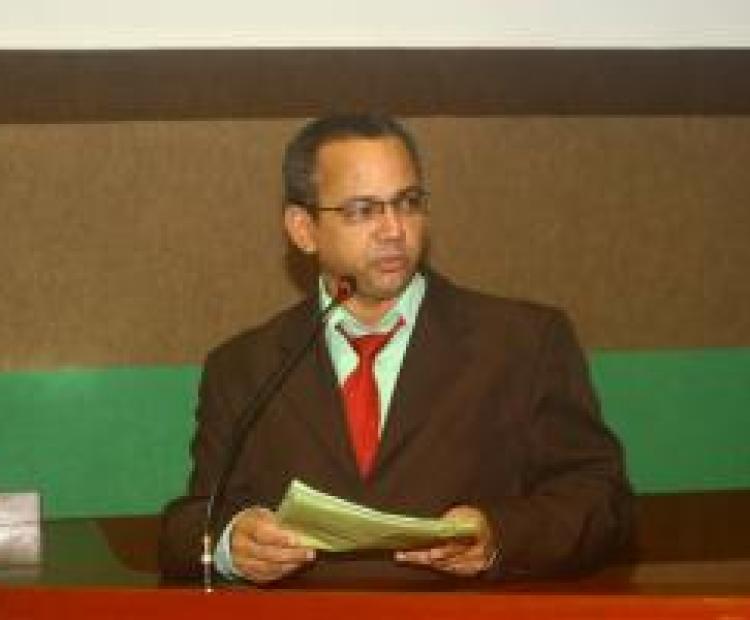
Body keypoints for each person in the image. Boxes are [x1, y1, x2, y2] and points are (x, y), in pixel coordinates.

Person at [159, 114, 631, 585]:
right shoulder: (244, 367)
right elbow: (189, 523)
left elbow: (603, 502)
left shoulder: (523, 343)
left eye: (408, 203)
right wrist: (232, 542)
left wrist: (499, 536)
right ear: (303, 229)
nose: (394, 230)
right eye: (363, 210)